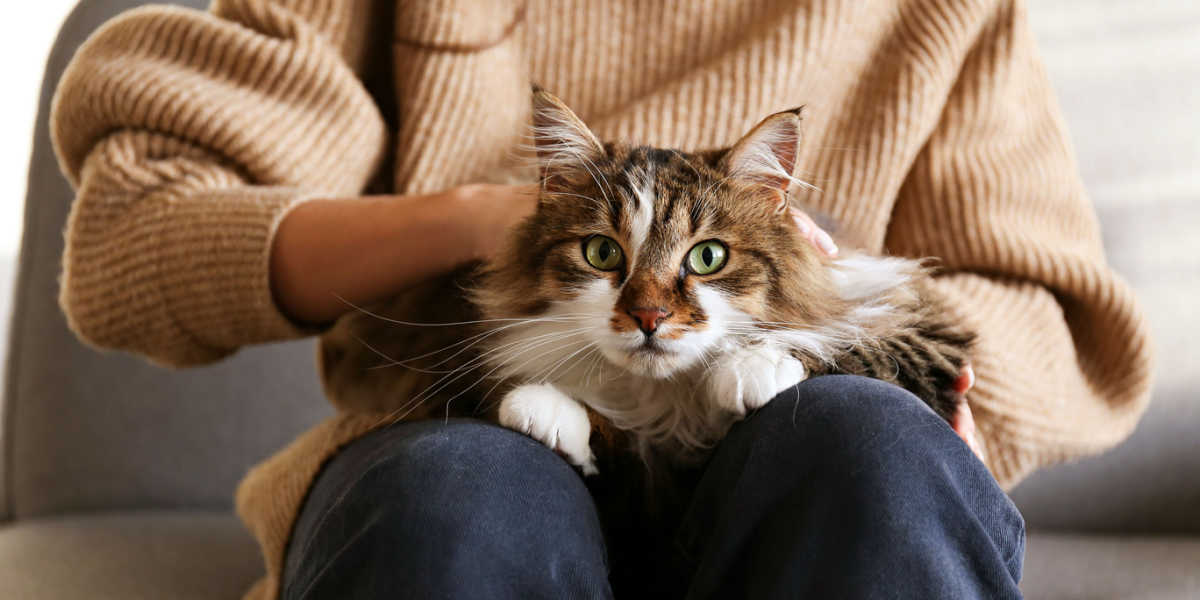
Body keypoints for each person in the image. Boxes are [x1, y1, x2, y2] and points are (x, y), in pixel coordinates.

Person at [49, 1, 1152, 598]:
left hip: (801, 451)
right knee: (458, 489)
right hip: (484, 443)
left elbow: (1063, 326)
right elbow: (129, 240)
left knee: (875, 453)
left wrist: (889, 363)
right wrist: (482, 218)